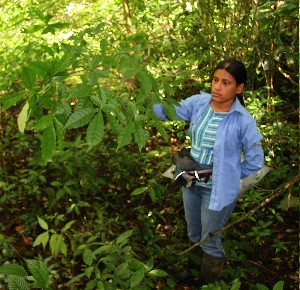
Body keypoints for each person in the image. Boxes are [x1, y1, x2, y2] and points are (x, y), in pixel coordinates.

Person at [153, 60, 264, 287]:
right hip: (191, 182)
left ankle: (207, 283)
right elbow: (167, 112)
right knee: (194, 232)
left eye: (226, 82)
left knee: (210, 240)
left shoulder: (242, 120)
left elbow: (255, 161)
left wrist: (228, 175)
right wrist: (144, 96)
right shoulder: (200, 103)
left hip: (218, 191)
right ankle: (193, 270)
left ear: (239, 88)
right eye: (215, 80)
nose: (217, 87)